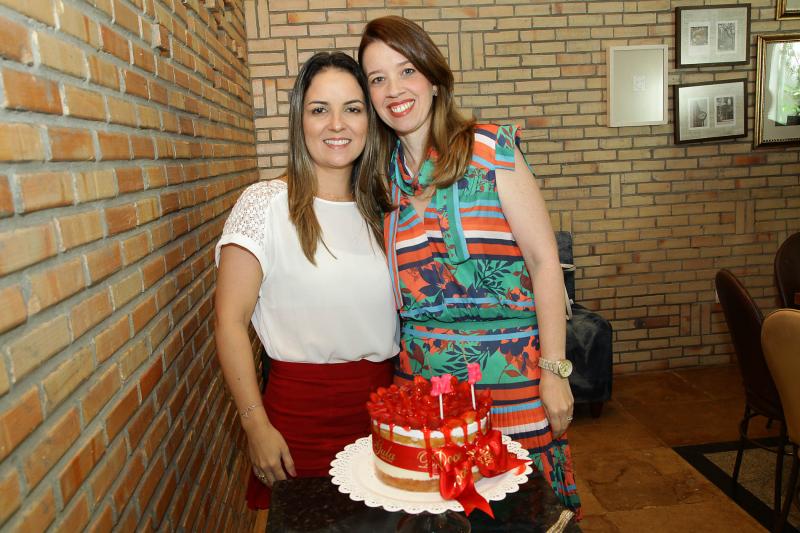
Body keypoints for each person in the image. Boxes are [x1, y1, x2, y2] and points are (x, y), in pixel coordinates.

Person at [359, 16, 581, 512]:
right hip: (425, 395)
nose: (394, 89)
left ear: (435, 79)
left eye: (407, 70)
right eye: (377, 78)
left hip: (517, 384)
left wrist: (555, 370)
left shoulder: (489, 149)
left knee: (525, 513)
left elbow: (545, 262)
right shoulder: (379, 183)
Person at [214, 51, 399, 509]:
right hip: (299, 423)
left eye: (352, 109)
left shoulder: (384, 209)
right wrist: (255, 424)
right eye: (320, 109)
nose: (337, 124)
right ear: (300, 120)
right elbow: (229, 322)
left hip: (386, 418)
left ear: (369, 121)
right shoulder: (265, 204)